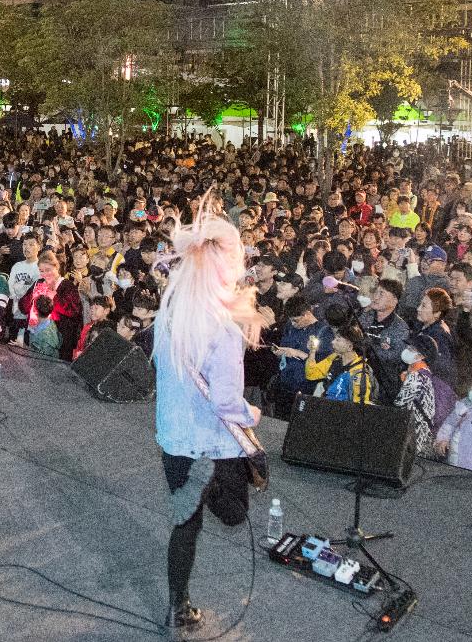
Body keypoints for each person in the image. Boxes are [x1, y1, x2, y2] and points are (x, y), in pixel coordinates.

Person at [153, 198, 262, 634]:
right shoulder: (223, 326)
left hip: (175, 439)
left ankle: (177, 604)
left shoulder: (169, 315)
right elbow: (226, 401)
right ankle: (210, 493)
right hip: (213, 444)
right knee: (236, 512)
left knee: (186, 527)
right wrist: (250, 413)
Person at [19, 250, 83, 361]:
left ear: (57, 267)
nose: (45, 274)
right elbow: (23, 308)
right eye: (41, 271)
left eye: (48, 270)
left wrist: (55, 297)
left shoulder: (67, 285)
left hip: (56, 339)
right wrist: (31, 296)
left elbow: (74, 311)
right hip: (34, 334)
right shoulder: (38, 282)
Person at [395, 333, 438, 455]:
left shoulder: (416, 376)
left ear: (422, 355)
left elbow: (400, 401)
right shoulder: (423, 372)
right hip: (417, 429)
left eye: (411, 349)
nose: (407, 350)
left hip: (416, 431)